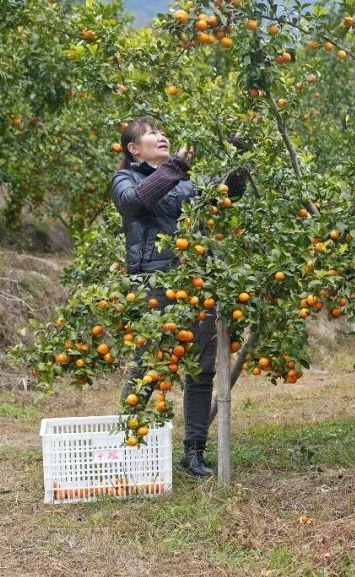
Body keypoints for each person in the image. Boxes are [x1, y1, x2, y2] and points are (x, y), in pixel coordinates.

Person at [110, 118, 245, 478]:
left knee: (201, 369)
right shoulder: (126, 179)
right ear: (133, 149)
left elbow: (228, 193)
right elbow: (134, 202)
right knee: (147, 367)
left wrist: (238, 154)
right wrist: (175, 167)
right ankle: (127, 448)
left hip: (195, 283)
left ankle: (194, 454)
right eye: (151, 133)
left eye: (162, 132)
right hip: (153, 284)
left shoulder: (185, 182)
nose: (162, 136)